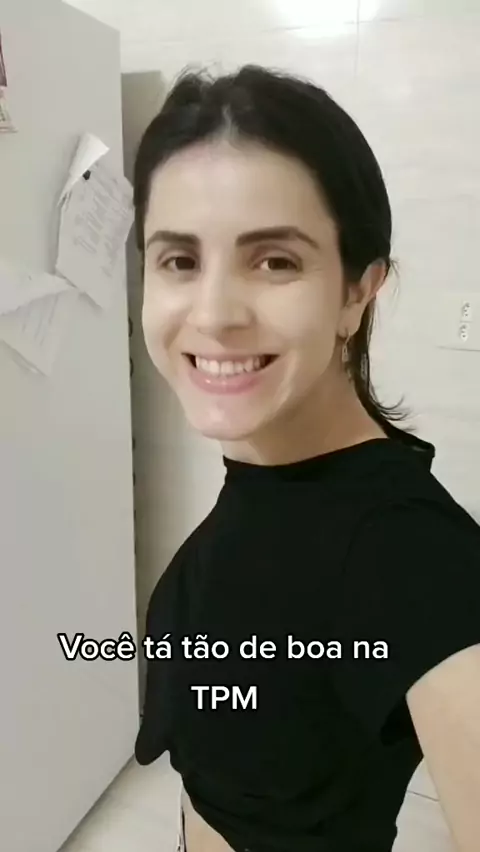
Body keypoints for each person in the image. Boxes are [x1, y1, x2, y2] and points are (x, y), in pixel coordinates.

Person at [132, 65, 480, 852]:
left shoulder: (413, 556)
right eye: (179, 260)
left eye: (275, 261)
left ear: (359, 291)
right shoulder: (268, 470)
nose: (214, 314)